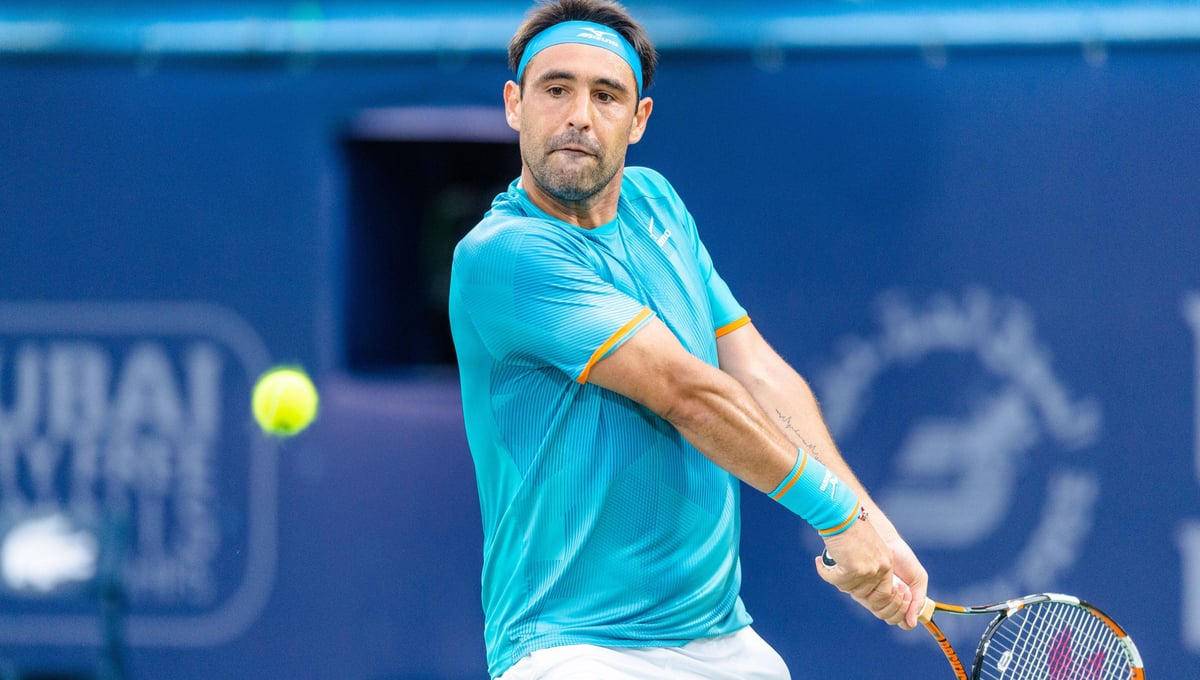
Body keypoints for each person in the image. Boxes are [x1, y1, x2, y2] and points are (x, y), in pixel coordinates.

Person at [448, 1, 928, 677]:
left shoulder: (656, 204)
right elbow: (688, 393)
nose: (579, 115)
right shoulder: (504, 255)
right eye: (556, 89)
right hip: (573, 648)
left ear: (638, 118)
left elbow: (754, 368)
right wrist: (839, 517)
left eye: (606, 95)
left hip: (721, 637)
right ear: (514, 105)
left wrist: (869, 521)